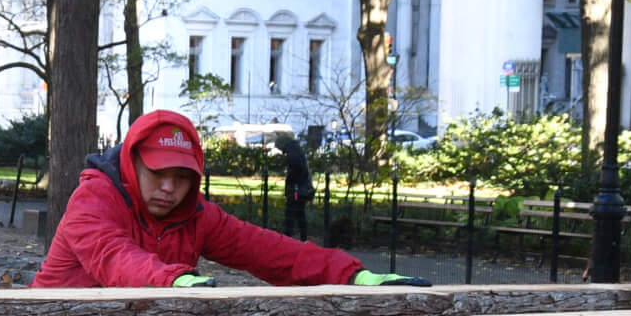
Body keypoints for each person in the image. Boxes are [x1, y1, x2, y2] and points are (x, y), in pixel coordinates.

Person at [34, 109, 424, 288]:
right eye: (157, 173)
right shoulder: (94, 199)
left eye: (182, 177)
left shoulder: (196, 216)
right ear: (131, 162)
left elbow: (268, 251)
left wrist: (350, 275)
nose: (169, 188)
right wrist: (176, 281)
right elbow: (115, 260)